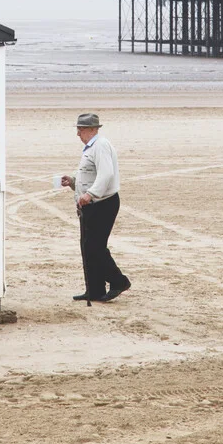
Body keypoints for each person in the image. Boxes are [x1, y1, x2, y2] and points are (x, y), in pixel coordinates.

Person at [61, 112, 131, 302]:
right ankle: (95, 290)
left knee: (95, 247)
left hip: (103, 204)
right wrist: (73, 182)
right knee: (88, 246)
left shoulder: (100, 146)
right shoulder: (91, 147)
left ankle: (119, 281)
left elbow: (106, 175)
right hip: (92, 204)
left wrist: (91, 194)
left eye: (81, 129)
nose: (78, 134)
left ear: (93, 129)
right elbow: (90, 177)